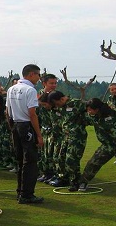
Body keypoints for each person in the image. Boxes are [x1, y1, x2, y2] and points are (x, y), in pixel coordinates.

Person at [75, 98, 116, 198]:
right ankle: (83, 182)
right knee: (93, 163)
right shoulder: (92, 116)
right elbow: (80, 115)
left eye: (90, 109)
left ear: (97, 108)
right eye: (88, 110)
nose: (89, 112)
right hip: (107, 145)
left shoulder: (114, 112)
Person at [6, 64, 44, 204]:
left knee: (20, 160)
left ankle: (20, 191)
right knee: (31, 161)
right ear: (31, 74)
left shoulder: (11, 89)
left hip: (16, 125)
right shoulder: (30, 90)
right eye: (38, 75)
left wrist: (12, 128)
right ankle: (27, 194)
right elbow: (32, 113)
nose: (39, 78)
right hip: (27, 125)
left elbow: (7, 111)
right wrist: (39, 135)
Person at [48, 91, 88, 191]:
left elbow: (89, 113)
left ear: (62, 99)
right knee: (60, 158)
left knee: (71, 160)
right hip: (66, 136)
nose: (57, 106)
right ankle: (64, 178)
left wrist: (82, 122)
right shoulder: (62, 107)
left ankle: (76, 182)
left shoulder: (77, 103)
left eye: (57, 103)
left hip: (77, 137)